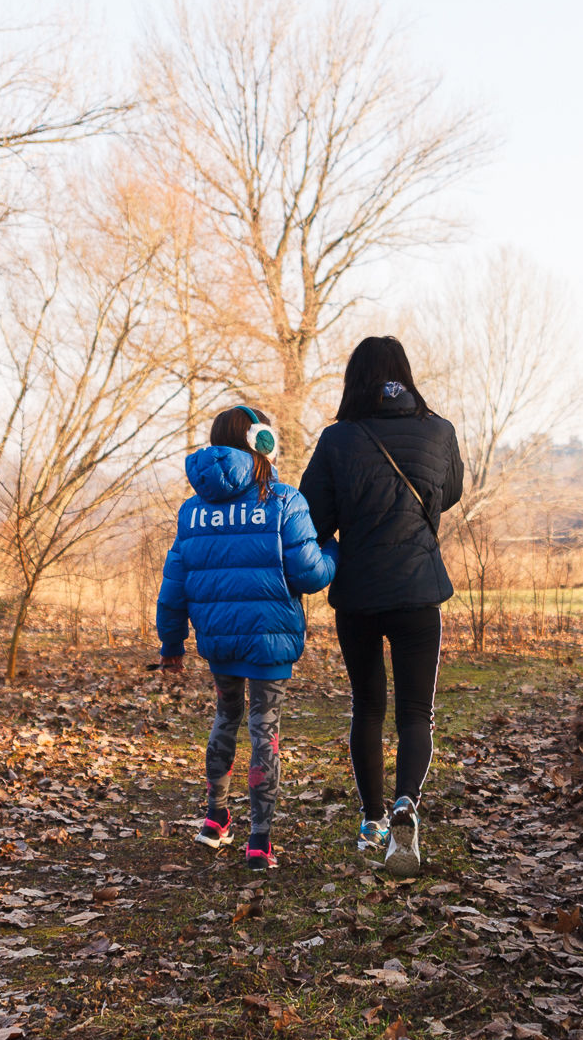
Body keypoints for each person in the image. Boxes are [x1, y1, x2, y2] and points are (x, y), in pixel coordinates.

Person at [299, 336, 464, 876]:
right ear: (404, 374)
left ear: (356, 378)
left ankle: (372, 821)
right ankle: (405, 806)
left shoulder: (337, 440)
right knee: (417, 712)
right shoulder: (439, 430)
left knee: (368, 708)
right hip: (419, 591)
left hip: (360, 595)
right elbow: (453, 491)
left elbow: (314, 521)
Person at [157, 405, 335, 872]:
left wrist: (171, 644)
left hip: (219, 642)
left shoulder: (192, 511)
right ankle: (260, 842)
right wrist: (334, 549)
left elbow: (174, 581)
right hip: (270, 642)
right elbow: (311, 574)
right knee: (264, 728)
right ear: (263, 443)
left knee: (226, 715)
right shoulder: (282, 500)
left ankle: (215, 820)